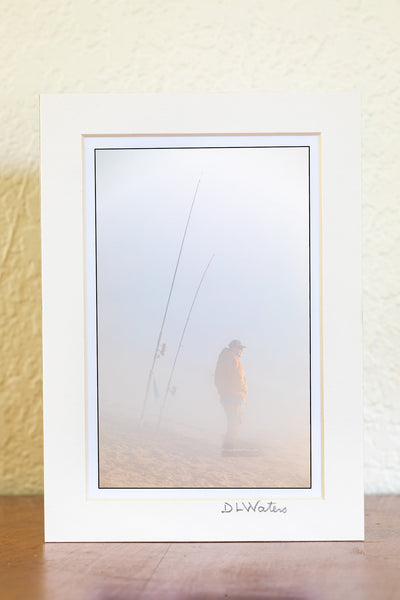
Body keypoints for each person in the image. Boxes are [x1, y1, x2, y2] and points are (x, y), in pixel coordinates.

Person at [214, 340, 248, 450]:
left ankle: (228, 444)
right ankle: (229, 446)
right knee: (235, 421)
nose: (241, 350)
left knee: (234, 420)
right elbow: (235, 378)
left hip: (231, 395)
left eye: (242, 348)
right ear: (233, 347)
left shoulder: (228, 357)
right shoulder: (231, 359)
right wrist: (242, 389)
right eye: (239, 348)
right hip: (233, 396)